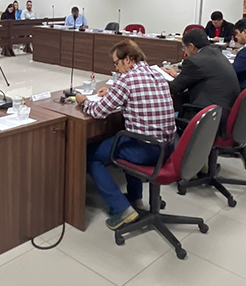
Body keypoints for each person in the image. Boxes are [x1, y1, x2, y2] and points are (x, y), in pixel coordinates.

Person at [75, 39, 175, 230]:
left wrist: (83, 101)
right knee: (129, 135)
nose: (116, 68)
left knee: (90, 155)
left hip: (146, 149)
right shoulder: (156, 73)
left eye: (116, 63)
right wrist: (113, 91)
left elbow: (98, 111)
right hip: (167, 147)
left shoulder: (126, 79)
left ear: (128, 60)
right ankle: (135, 199)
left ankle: (122, 209)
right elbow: (138, 93)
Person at [164, 28, 240, 127]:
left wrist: (158, 78)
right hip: (225, 111)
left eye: (184, 48)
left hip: (208, 116)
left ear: (191, 46)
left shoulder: (194, 61)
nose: (184, 52)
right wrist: (178, 76)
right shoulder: (217, 53)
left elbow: (173, 88)